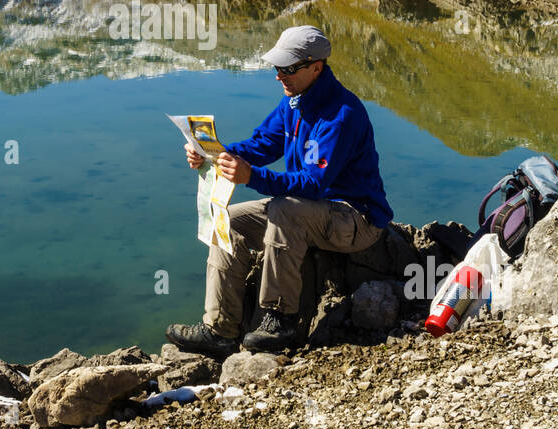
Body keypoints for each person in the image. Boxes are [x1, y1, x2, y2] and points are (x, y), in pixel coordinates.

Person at [166, 25, 395, 357]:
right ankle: (221, 329)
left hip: (356, 218)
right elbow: (261, 144)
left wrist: (251, 176)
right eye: (277, 68)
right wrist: (216, 155)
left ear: (316, 67)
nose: (278, 76)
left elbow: (314, 184)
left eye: (287, 69)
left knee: (284, 209)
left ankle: (280, 320)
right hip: (311, 211)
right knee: (229, 220)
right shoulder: (294, 103)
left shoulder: (340, 115)